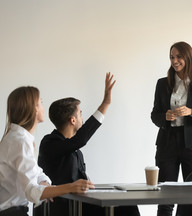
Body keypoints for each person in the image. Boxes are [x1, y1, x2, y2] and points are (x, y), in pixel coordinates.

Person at [36, 73, 140, 216]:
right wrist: (105, 104)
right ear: (73, 120)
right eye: (80, 113)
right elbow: (79, 140)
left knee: (128, 206)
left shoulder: (75, 151)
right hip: (62, 207)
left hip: (78, 203)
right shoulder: (49, 143)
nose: (82, 118)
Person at [0, 86, 93, 216]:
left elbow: (36, 172)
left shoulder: (17, 138)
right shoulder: (20, 141)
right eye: (40, 102)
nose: (43, 107)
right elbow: (32, 191)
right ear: (33, 108)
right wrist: (70, 187)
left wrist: (44, 182)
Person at [151, 41, 192, 216]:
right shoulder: (162, 83)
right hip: (167, 143)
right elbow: (155, 115)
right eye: (172, 57)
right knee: (165, 198)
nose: (175, 60)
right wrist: (165, 116)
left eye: (179, 56)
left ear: (188, 57)